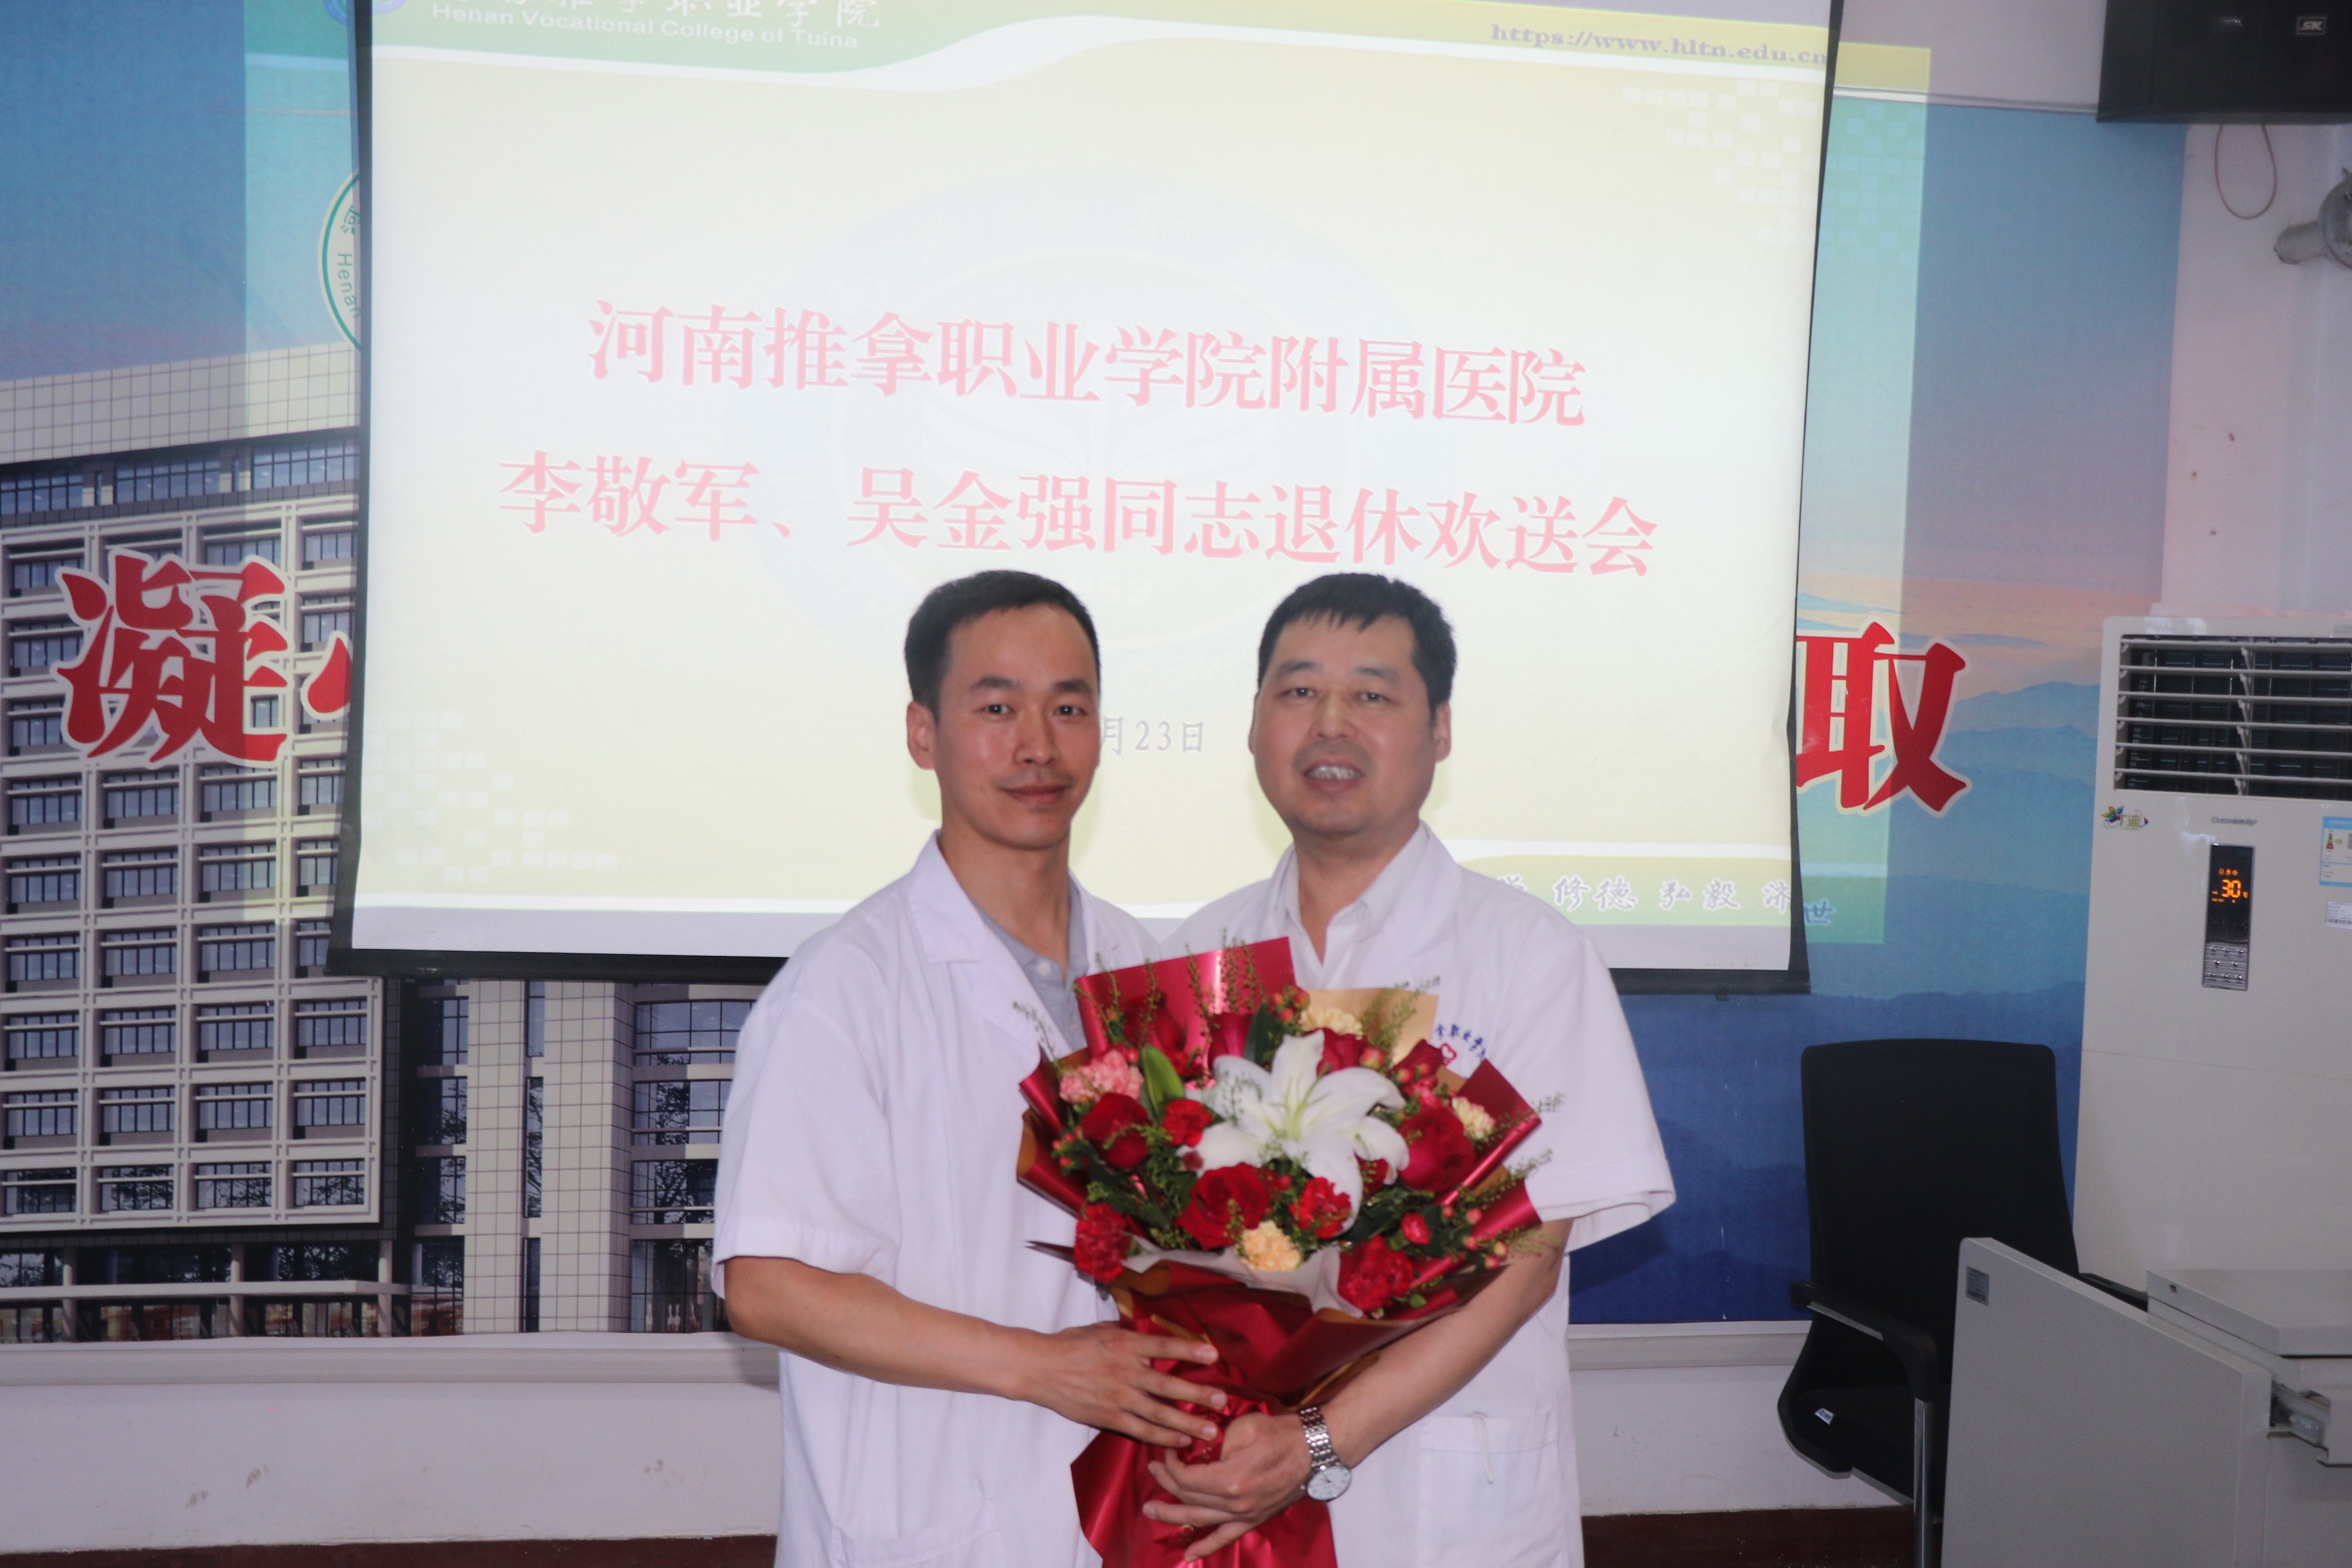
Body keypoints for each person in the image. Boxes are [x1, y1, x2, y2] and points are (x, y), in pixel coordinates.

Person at [1156, 573, 1675, 1566]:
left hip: (1449, 1489)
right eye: (1298, 691)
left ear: (1439, 730)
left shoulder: (1530, 954)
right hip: (1235, 1481)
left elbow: (1527, 1264)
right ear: (1255, 725)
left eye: (1373, 693)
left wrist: (1313, 1443)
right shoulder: (1201, 954)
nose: (1331, 723)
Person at [715, 570, 1225, 1568]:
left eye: (1069, 708)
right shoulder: (843, 986)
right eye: (997, 708)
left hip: (1128, 1513)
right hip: (927, 1517)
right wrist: (1045, 1368)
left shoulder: (1144, 969)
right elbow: (767, 1286)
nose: (1038, 745)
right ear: (923, 734)